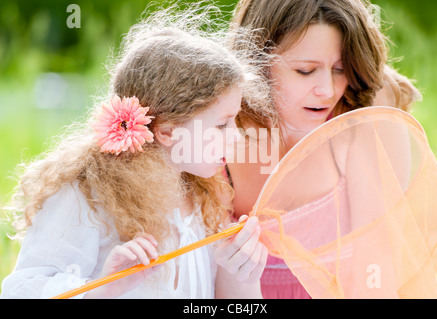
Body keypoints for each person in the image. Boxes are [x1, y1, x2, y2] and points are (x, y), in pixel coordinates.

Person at [0, 10, 269, 299]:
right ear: (167, 131)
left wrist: (240, 275)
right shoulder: (86, 195)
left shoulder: (204, 194)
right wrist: (103, 289)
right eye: (221, 125)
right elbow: (21, 290)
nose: (237, 137)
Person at [224, 0, 422, 299]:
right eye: (305, 71)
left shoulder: (364, 113)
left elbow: (377, 266)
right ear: (255, 63)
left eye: (340, 69)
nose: (327, 90)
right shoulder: (216, 123)